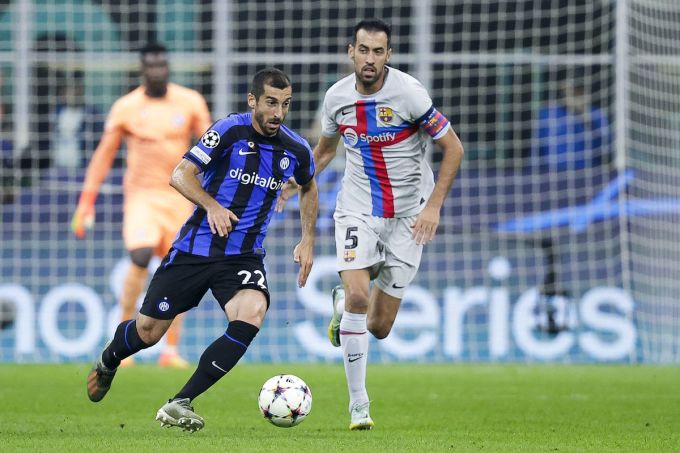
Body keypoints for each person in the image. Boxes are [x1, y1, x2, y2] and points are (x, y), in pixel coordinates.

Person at [86, 67, 318, 432]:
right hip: (196, 249)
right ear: (253, 100)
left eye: (285, 105)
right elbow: (180, 174)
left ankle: (180, 401)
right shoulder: (228, 131)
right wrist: (211, 205)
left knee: (252, 312)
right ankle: (109, 359)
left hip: (243, 255)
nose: (278, 113)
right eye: (271, 103)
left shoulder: (295, 148)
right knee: (148, 331)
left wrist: (308, 239)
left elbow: (308, 186)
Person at [276, 19, 464, 430]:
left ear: (388, 56)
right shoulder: (336, 98)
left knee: (379, 327)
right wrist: (294, 184)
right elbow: (324, 151)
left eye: (379, 52)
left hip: (410, 213)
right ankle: (358, 406)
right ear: (351, 52)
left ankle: (344, 305)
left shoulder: (410, 94)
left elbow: (453, 148)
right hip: (358, 207)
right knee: (360, 298)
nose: (370, 59)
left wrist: (433, 208)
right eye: (364, 50)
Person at [71, 43, 212, 368]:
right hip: (142, 196)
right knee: (141, 255)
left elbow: (209, 149)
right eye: (151, 66)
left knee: (177, 267)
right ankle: (120, 339)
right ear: (142, 70)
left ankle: (171, 350)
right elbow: (104, 155)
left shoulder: (189, 101)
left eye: (162, 65)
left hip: (180, 195)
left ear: (167, 67)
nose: (158, 71)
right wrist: (86, 202)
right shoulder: (126, 107)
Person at [531, 75, 612, 334]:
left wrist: (584, 115)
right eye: (565, 89)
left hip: (586, 188)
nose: (570, 94)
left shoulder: (595, 117)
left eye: (574, 89)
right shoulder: (548, 115)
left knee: (582, 252)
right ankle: (548, 308)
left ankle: (576, 311)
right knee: (549, 248)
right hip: (551, 188)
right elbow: (536, 150)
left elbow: (608, 148)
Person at [53, 71, 105, 169]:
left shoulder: (92, 115)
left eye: (76, 88)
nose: (73, 93)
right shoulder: (55, 114)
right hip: (59, 168)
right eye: (69, 89)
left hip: (82, 170)